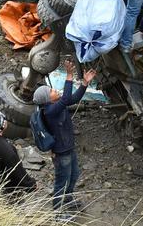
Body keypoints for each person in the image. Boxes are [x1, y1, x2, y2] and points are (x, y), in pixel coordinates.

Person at [32, 60, 95, 211]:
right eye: (52, 91)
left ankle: (67, 200)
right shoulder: (50, 112)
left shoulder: (56, 105)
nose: (55, 91)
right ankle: (57, 212)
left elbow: (73, 99)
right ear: (47, 99)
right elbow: (67, 98)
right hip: (61, 153)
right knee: (61, 183)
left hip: (69, 149)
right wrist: (69, 75)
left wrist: (85, 84)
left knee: (73, 176)